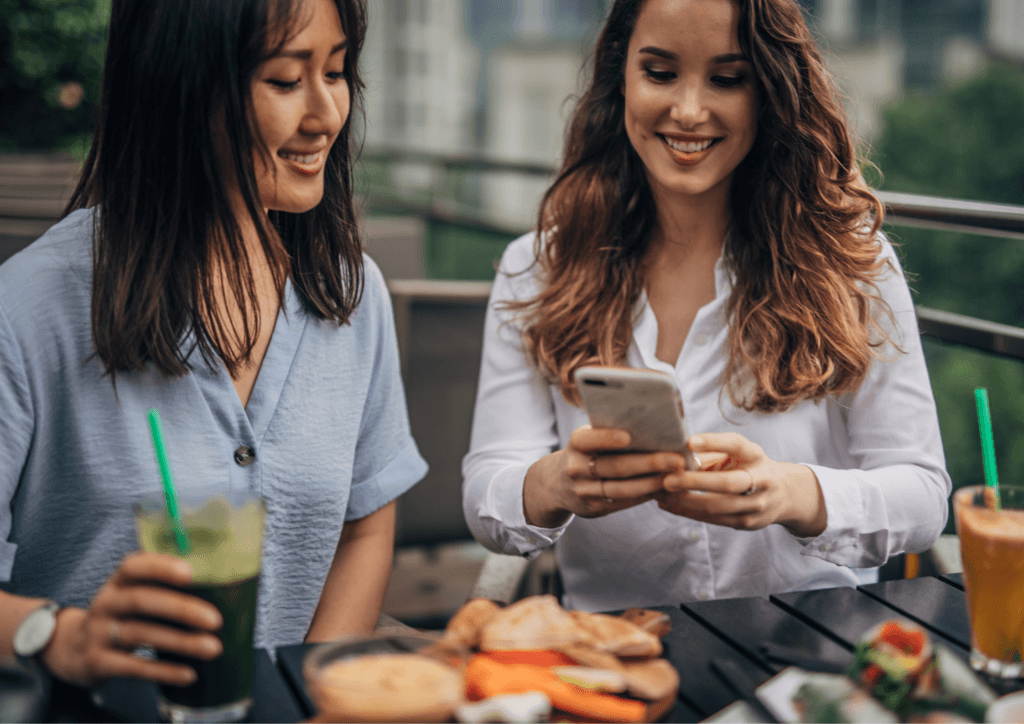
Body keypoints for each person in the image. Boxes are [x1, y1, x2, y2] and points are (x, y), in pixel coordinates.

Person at [462, 0, 950, 612]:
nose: (688, 111)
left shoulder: (853, 262)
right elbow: (486, 493)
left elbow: (924, 496)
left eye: (727, 78)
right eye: (660, 73)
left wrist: (790, 495)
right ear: (621, 80)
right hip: (616, 660)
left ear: (770, 91)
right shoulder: (536, 268)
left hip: (805, 659)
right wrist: (555, 482)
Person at [0, 0, 426, 689]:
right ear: (181, 84)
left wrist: (309, 694)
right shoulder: (26, 311)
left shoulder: (352, 292)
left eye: (339, 72)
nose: (326, 115)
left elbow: (364, 529)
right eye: (286, 81)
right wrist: (61, 637)